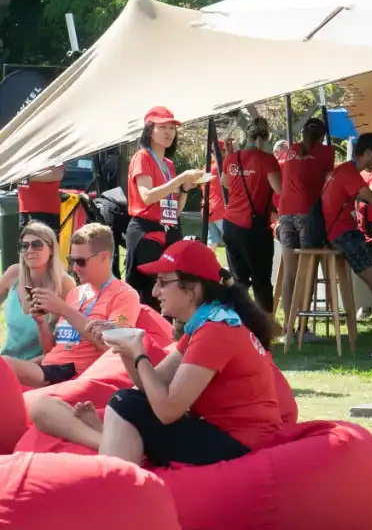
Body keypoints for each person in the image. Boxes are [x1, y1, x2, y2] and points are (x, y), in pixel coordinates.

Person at [32, 239, 282, 468]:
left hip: (240, 444)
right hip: (227, 434)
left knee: (124, 402)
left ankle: (112, 475)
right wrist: (125, 348)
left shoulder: (215, 331)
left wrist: (139, 352)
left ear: (192, 289)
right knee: (122, 401)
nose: (154, 292)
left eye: (163, 283)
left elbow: (167, 410)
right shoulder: (208, 322)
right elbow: (150, 387)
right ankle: (107, 442)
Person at [7, 223, 139, 389]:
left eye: (81, 261)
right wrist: (41, 324)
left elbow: (111, 347)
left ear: (104, 258)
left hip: (74, 374)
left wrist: (63, 309)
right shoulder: (75, 293)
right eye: (71, 261)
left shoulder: (124, 295)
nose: (74, 268)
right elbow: (52, 351)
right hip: (50, 370)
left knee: (4, 366)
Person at [125, 106, 206, 306]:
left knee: (170, 292)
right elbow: (147, 197)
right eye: (163, 127)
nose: (169, 132)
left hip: (168, 229)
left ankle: (166, 335)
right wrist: (179, 180)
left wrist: (185, 189)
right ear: (149, 130)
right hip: (146, 232)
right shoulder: (142, 157)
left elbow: (173, 211)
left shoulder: (169, 164)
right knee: (149, 294)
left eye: (172, 127)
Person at [323, 134, 372, 330]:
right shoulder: (348, 173)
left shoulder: (345, 170)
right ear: (367, 153)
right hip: (341, 233)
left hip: (343, 231)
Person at [275, 117, 336, 323]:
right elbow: (329, 183)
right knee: (307, 270)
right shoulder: (327, 152)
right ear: (322, 136)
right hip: (307, 212)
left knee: (290, 273)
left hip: (285, 212)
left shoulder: (292, 149)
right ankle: (303, 325)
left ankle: (288, 326)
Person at [222, 118, 282, 314]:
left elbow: (226, 183)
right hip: (254, 228)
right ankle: (265, 327)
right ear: (264, 136)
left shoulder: (232, 158)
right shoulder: (267, 159)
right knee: (261, 280)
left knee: (238, 280)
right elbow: (279, 188)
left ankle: (239, 324)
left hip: (231, 225)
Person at [0, 222, 77, 362]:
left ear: (52, 249)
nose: (29, 250)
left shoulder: (65, 285)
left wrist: (21, 368)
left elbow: (65, 348)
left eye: (36, 245)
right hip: (6, 362)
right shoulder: (13, 273)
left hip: (41, 368)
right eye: (24, 246)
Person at [16, 165, 64, 234]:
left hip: (47, 212)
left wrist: (27, 177)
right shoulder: (21, 157)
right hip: (24, 211)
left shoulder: (52, 156)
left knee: (47, 242)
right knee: (27, 242)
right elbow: (14, 176)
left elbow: (57, 174)